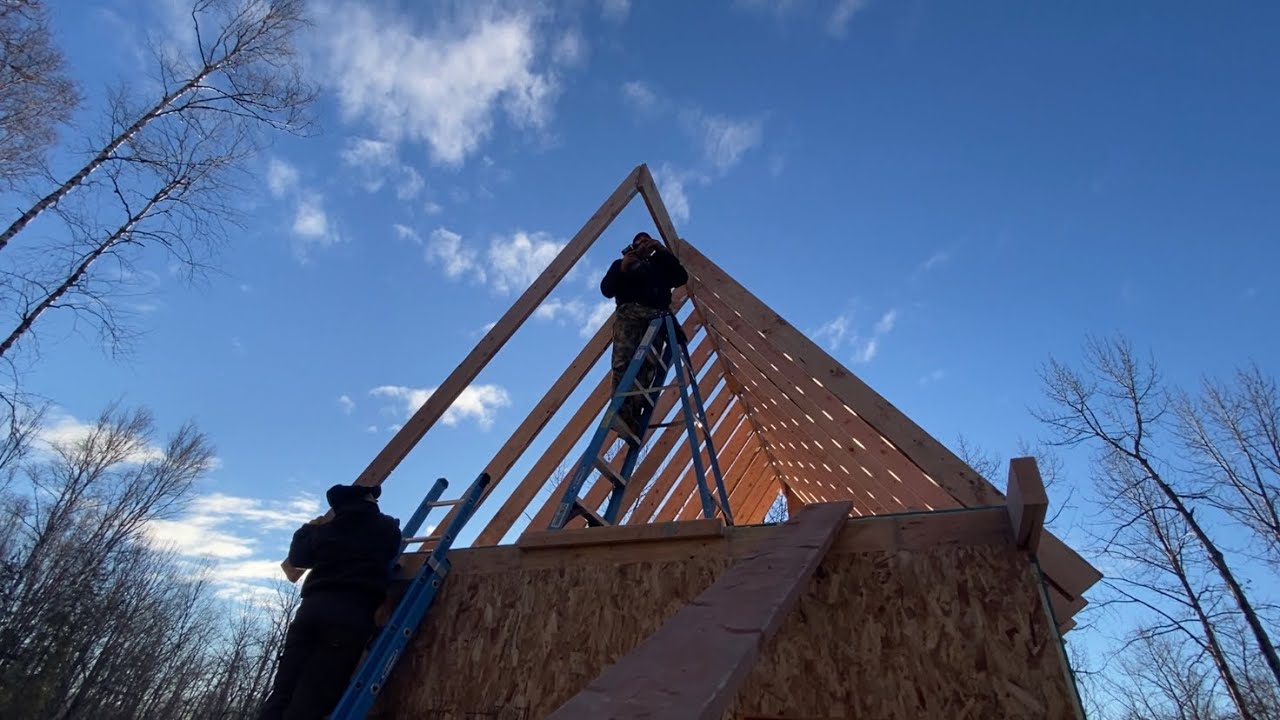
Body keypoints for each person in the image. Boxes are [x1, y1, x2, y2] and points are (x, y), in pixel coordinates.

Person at [258, 483, 402, 720]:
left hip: (310, 611)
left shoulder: (324, 533)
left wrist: (306, 529)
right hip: (349, 613)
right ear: (366, 501)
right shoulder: (384, 527)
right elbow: (391, 545)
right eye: (372, 498)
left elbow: (297, 558)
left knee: (283, 688)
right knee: (314, 695)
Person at [599, 231, 689, 438]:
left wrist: (663, 251)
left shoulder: (659, 264)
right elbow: (607, 290)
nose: (642, 245)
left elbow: (681, 277)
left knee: (647, 369)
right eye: (638, 243)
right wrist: (624, 266)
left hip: (656, 318)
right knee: (622, 362)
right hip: (630, 314)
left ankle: (633, 415)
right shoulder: (622, 264)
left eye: (645, 241)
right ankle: (622, 414)